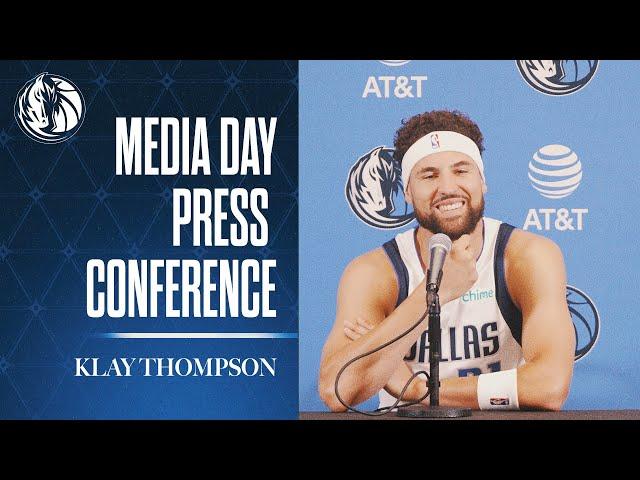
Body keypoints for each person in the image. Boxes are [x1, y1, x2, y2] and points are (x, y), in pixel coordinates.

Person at [318, 110, 575, 412]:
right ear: (408, 193)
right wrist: (431, 295)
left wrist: (419, 390)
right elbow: (336, 389)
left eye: (461, 171)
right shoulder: (375, 273)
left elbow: (550, 386)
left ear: (483, 182)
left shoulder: (525, 257)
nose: (448, 187)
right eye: (429, 175)